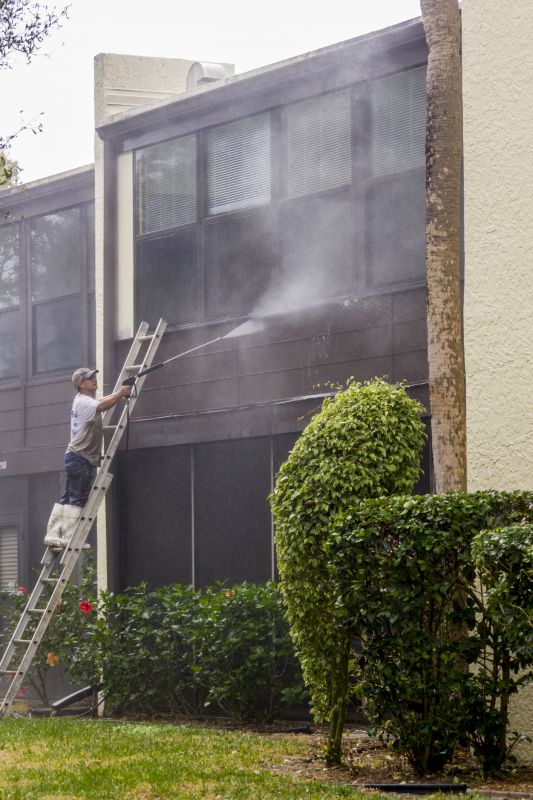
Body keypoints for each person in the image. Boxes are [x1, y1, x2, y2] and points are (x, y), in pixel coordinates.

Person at [44, 368, 132, 547]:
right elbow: (101, 406)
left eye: (94, 377)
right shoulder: (84, 402)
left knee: (68, 497)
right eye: (89, 378)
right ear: (81, 384)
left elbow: (100, 402)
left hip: (76, 456)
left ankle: (53, 534)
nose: (94, 379)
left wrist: (117, 395)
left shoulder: (84, 401)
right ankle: (69, 538)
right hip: (81, 457)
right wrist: (120, 393)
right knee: (77, 499)